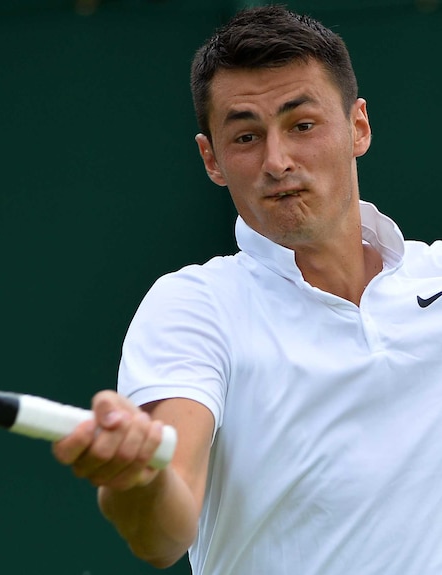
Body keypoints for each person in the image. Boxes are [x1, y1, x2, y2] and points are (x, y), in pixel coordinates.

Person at [53, 5, 442, 574]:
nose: (277, 161)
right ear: (211, 158)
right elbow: (164, 531)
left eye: (302, 125)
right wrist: (136, 483)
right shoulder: (194, 306)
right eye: (246, 136)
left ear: (358, 126)